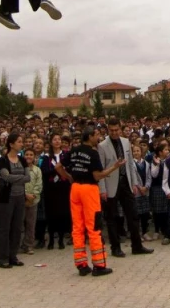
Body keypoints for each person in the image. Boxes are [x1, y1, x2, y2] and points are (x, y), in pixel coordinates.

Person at [64, 127, 121, 276]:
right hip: (89, 190)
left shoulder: (74, 151)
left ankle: (81, 264)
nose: (99, 137)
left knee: (77, 227)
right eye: (97, 135)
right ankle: (99, 264)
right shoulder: (93, 153)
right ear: (90, 137)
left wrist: (69, 177)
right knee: (94, 226)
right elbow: (97, 176)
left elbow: (58, 166)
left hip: (75, 189)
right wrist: (114, 168)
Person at [97, 117, 152, 258]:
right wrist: (102, 190)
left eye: (117, 130)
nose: (114, 133)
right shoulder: (102, 146)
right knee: (112, 217)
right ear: (108, 130)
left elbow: (130, 165)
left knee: (133, 215)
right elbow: (101, 169)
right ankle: (115, 247)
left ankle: (137, 245)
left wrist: (134, 183)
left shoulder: (126, 142)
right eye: (112, 130)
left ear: (120, 129)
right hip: (110, 185)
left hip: (126, 182)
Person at [0, 133, 29, 269]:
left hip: (20, 197)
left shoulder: (23, 160)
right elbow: (5, 177)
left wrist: (15, 177)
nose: (21, 144)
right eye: (19, 141)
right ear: (11, 144)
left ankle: (13, 255)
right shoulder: (3, 160)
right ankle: (2, 258)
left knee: (17, 227)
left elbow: (28, 177)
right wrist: (20, 177)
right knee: (5, 227)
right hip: (6, 198)